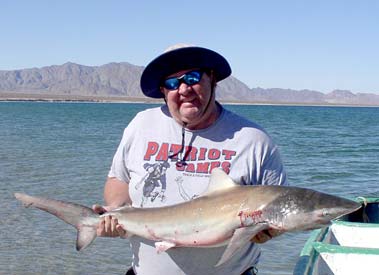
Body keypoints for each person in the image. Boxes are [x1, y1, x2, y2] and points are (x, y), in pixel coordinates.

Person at [93, 44, 288, 275]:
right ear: (164, 91)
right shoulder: (141, 125)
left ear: (212, 79)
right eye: (172, 83)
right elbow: (119, 179)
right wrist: (115, 210)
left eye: (192, 77)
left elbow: (279, 208)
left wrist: (271, 231)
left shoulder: (254, 140)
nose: (184, 89)